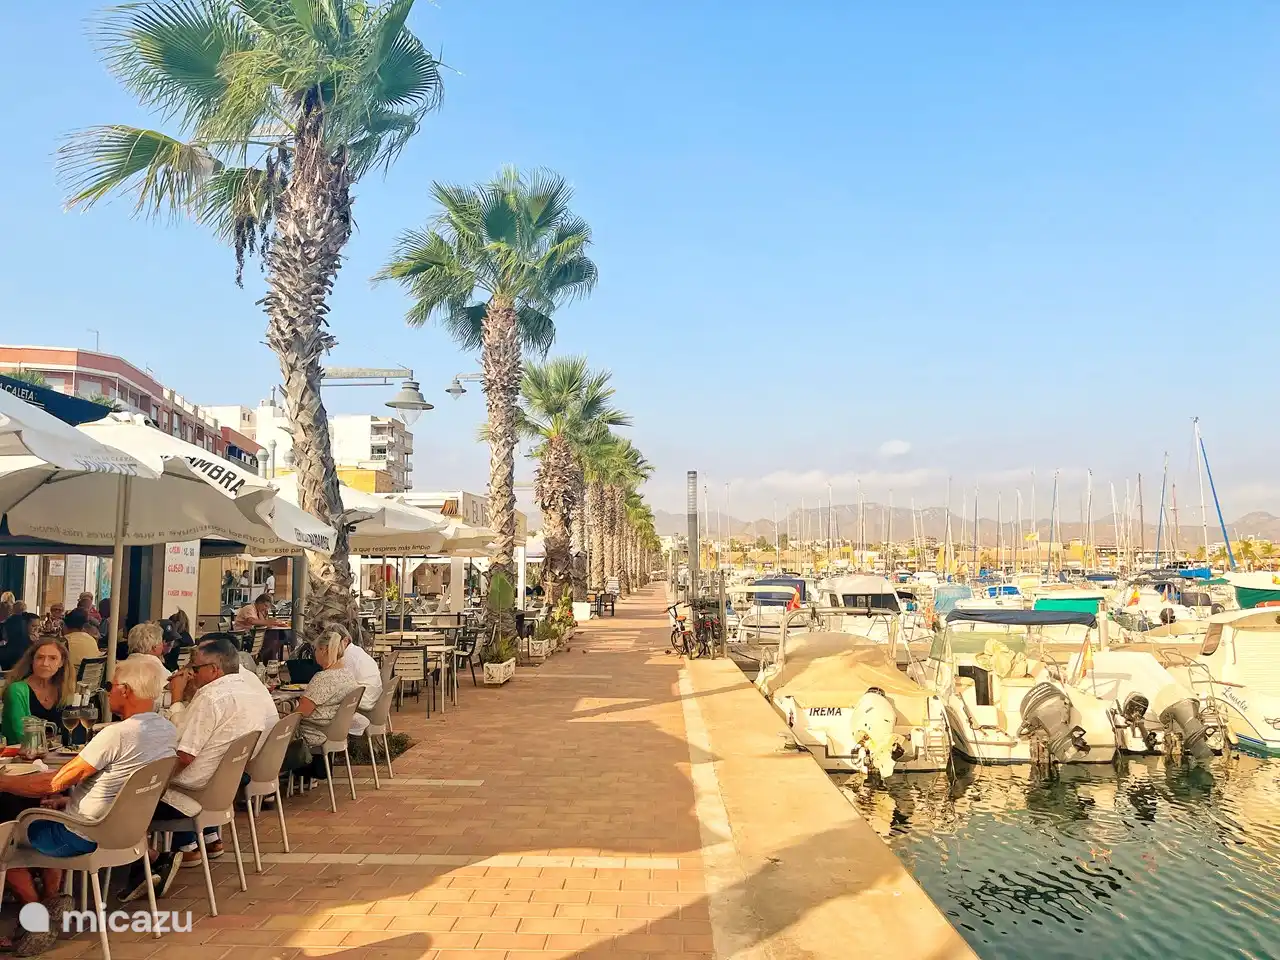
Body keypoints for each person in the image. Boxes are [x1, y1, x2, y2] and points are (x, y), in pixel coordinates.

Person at [0, 655, 175, 955]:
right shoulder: (165, 729)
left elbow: (51, 782)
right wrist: (71, 798)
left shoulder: (117, 734)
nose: (107, 691)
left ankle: (37, 913)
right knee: (51, 811)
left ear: (127, 691)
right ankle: (53, 899)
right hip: (126, 831)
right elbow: (119, 784)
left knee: (4, 835)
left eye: (111, 685)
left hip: (85, 833)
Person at [121, 637, 274, 897]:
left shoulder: (212, 697)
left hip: (190, 793)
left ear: (214, 669)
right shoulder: (249, 691)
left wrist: (154, 783)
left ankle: (151, 864)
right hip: (223, 790)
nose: (191, 672)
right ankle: (157, 859)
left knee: (119, 798)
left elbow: (184, 755)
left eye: (196, 667)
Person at [293, 628, 360, 780]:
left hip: (315, 733)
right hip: (335, 731)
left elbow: (301, 712)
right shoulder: (347, 674)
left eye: (315, 649)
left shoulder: (322, 678)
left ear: (323, 650)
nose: (314, 653)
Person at [2, 637, 73, 746]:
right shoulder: (16, 690)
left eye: (52, 658)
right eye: (40, 657)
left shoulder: (63, 689)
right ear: (32, 661)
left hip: (55, 754)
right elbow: (20, 735)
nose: (45, 663)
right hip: (19, 756)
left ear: (61, 663)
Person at [331, 623, 381, 735]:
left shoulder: (347, 657)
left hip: (363, 704)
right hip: (372, 699)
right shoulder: (356, 651)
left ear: (345, 641)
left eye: (333, 643)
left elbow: (338, 685)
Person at [234, 593, 290, 662]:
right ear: (259, 603)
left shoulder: (258, 611)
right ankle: (265, 660)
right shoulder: (249, 608)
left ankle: (267, 659)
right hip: (244, 636)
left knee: (280, 637)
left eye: (267, 607)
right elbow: (252, 621)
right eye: (265, 606)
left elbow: (263, 623)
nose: (266, 608)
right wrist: (269, 622)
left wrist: (276, 623)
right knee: (273, 640)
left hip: (254, 634)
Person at [61, 609, 102, 676]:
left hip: (72, 681)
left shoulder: (65, 641)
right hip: (93, 679)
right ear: (83, 626)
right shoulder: (91, 639)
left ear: (65, 625)